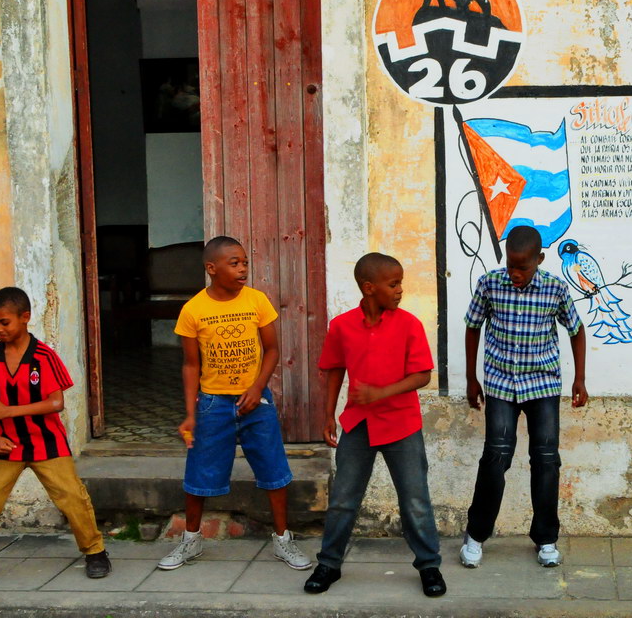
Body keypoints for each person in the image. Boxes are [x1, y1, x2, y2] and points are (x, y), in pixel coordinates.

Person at [0, 287, 111, 588]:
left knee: (72, 498)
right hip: (5, 444)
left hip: (47, 443)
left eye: (4, 322)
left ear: (25, 318)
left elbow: (56, 402)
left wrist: (9, 411)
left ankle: (95, 552)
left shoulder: (44, 356)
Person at [157, 236, 310, 571]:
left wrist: (257, 388)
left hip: (257, 403)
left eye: (244, 262)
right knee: (198, 475)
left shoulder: (256, 301)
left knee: (274, 471)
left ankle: (283, 541)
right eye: (234, 263)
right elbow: (190, 365)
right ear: (212, 268)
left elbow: (271, 350)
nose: (242, 269)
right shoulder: (194, 310)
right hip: (213, 404)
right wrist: (189, 414)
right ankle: (191, 541)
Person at [303, 253, 446, 597]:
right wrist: (327, 416)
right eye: (393, 284)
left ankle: (429, 565)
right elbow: (334, 368)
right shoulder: (342, 326)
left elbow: (422, 375)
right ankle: (329, 563)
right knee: (343, 498)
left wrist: (381, 392)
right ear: (369, 288)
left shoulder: (409, 324)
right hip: (358, 423)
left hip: (402, 424)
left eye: (400, 283)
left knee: (414, 499)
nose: (400, 290)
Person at [459, 226, 587, 569]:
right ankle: (476, 534)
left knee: (546, 460)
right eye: (511, 266)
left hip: (542, 385)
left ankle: (546, 539)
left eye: (523, 268)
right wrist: (471, 378)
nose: (515, 274)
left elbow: (576, 330)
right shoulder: (490, 283)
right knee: (495, 458)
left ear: (539, 260)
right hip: (501, 384)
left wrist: (580, 379)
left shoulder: (555, 289)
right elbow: (472, 327)